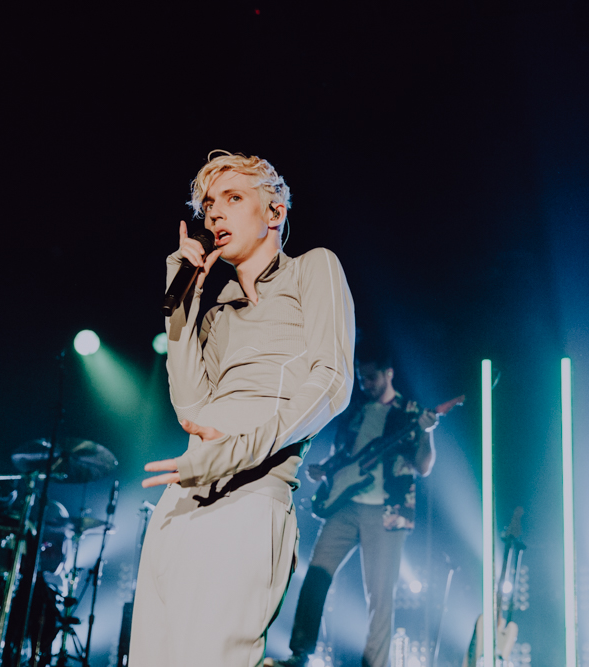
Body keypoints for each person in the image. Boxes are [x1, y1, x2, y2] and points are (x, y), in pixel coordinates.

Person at [129, 151, 355, 667]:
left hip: (249, 497)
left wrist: (231, 454)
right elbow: (189, 403)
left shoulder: (313, 269)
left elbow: (332, 383)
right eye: (208, 206)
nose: (215, 215)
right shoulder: (216, 315)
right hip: (180, 498)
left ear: (273, 213)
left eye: (233, 199)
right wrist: (185, 297)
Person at [278, 348, 438, 667]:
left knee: (380, 598)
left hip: (387, 515)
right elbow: (345, 457)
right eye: (361, 377)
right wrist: (326, 470)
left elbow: (423, 466)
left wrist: (426, 433)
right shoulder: (356, 411)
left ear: (388, 373)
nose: (365, 383)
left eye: (371, 377)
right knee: (316, 575)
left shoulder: (411, 412)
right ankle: (299, 654)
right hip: (345, 508)